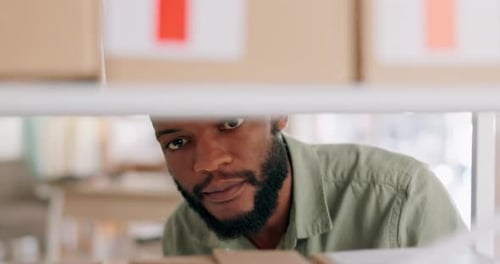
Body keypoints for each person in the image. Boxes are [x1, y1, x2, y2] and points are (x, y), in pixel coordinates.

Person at [151, 116, 466, 256]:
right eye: (177, 142)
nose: (207, 162)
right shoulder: (185, 231)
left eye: (231, 123)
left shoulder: (401, 197)